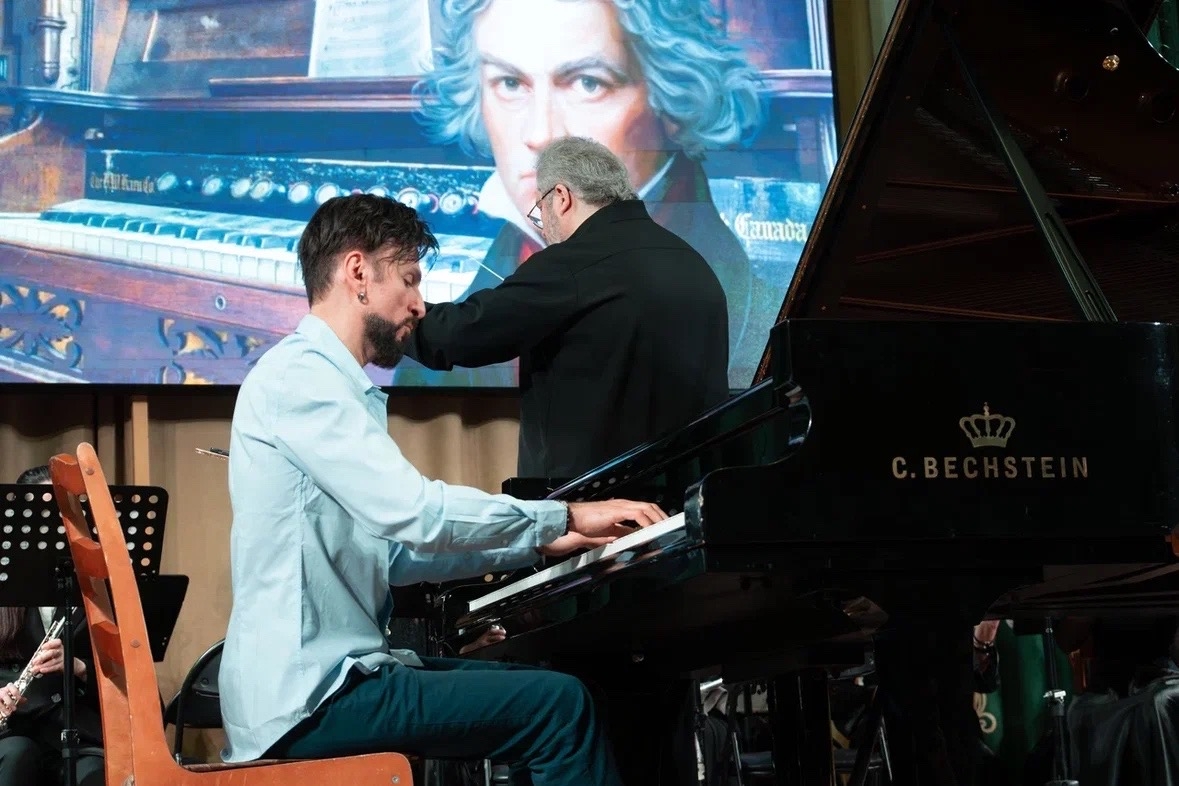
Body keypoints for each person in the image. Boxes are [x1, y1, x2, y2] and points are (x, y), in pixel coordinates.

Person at [219, 191, 669, 786]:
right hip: (309, 699)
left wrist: (537, 545)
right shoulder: (302, 377)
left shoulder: (320, 379)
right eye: (409, 279)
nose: (419, 303)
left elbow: (395, 555)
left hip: (322, 684)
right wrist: (562, 517)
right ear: (357, 273)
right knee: (559, 707)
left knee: (551, 693)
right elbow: (417, 514)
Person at [408, 0, 775, 387]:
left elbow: (457, 337)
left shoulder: (583, 266)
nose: (541, 134)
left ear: (673, 97)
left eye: (589, 83)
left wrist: (385, 308)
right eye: (510, 83)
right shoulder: (678, 262)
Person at [403, 136, 731, 479]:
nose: (543, 228)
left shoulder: (572, 264)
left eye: (540, 212)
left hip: (595, 497)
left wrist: (389, 308)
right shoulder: (692, 262)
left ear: (561, 197)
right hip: (689, 490)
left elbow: (461, 335)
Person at [0, 466, 103, 786]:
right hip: (14, 730)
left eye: (61, 511)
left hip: (80, 731)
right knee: (16, 758)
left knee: (93, 774)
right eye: (41, 512)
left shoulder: (99, 588)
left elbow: (131, 680)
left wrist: (79, 666)